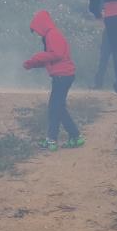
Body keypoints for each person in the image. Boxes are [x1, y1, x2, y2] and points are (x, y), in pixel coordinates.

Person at [23, 10, 85, 151]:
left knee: (55, 108)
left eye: (37, 30)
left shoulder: (52, 34)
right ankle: (73, 136)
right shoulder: (51, 35)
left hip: (62, 76)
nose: (38, 33)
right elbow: (50, 59)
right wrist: (32, 64)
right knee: (58, 108)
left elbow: (56, 54)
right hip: (63, 75)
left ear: (41, 25)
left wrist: (36, 58)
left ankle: (54, 140)